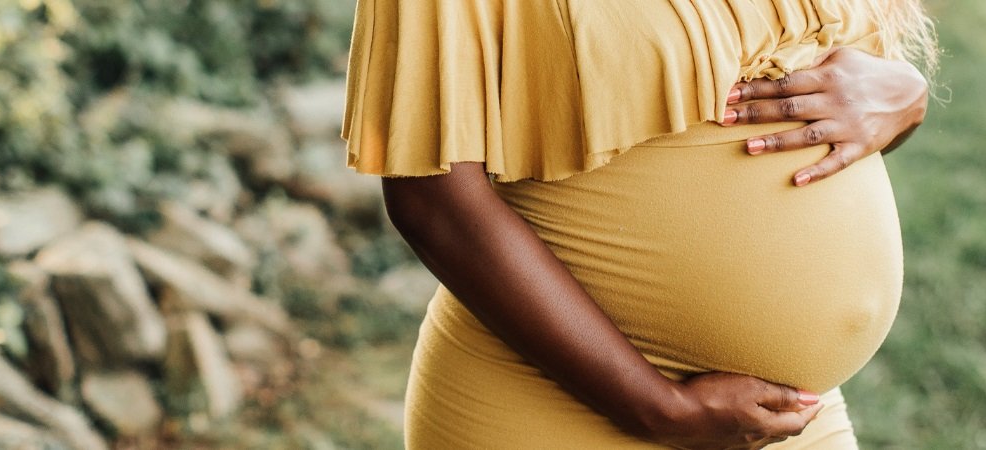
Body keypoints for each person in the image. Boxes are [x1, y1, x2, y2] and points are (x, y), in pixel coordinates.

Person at [342, 1, 935, 448]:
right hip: (548, 408)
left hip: (792, 417)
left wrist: (904, 100)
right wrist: (660, 408)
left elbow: (835, 95)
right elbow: (433, 199)